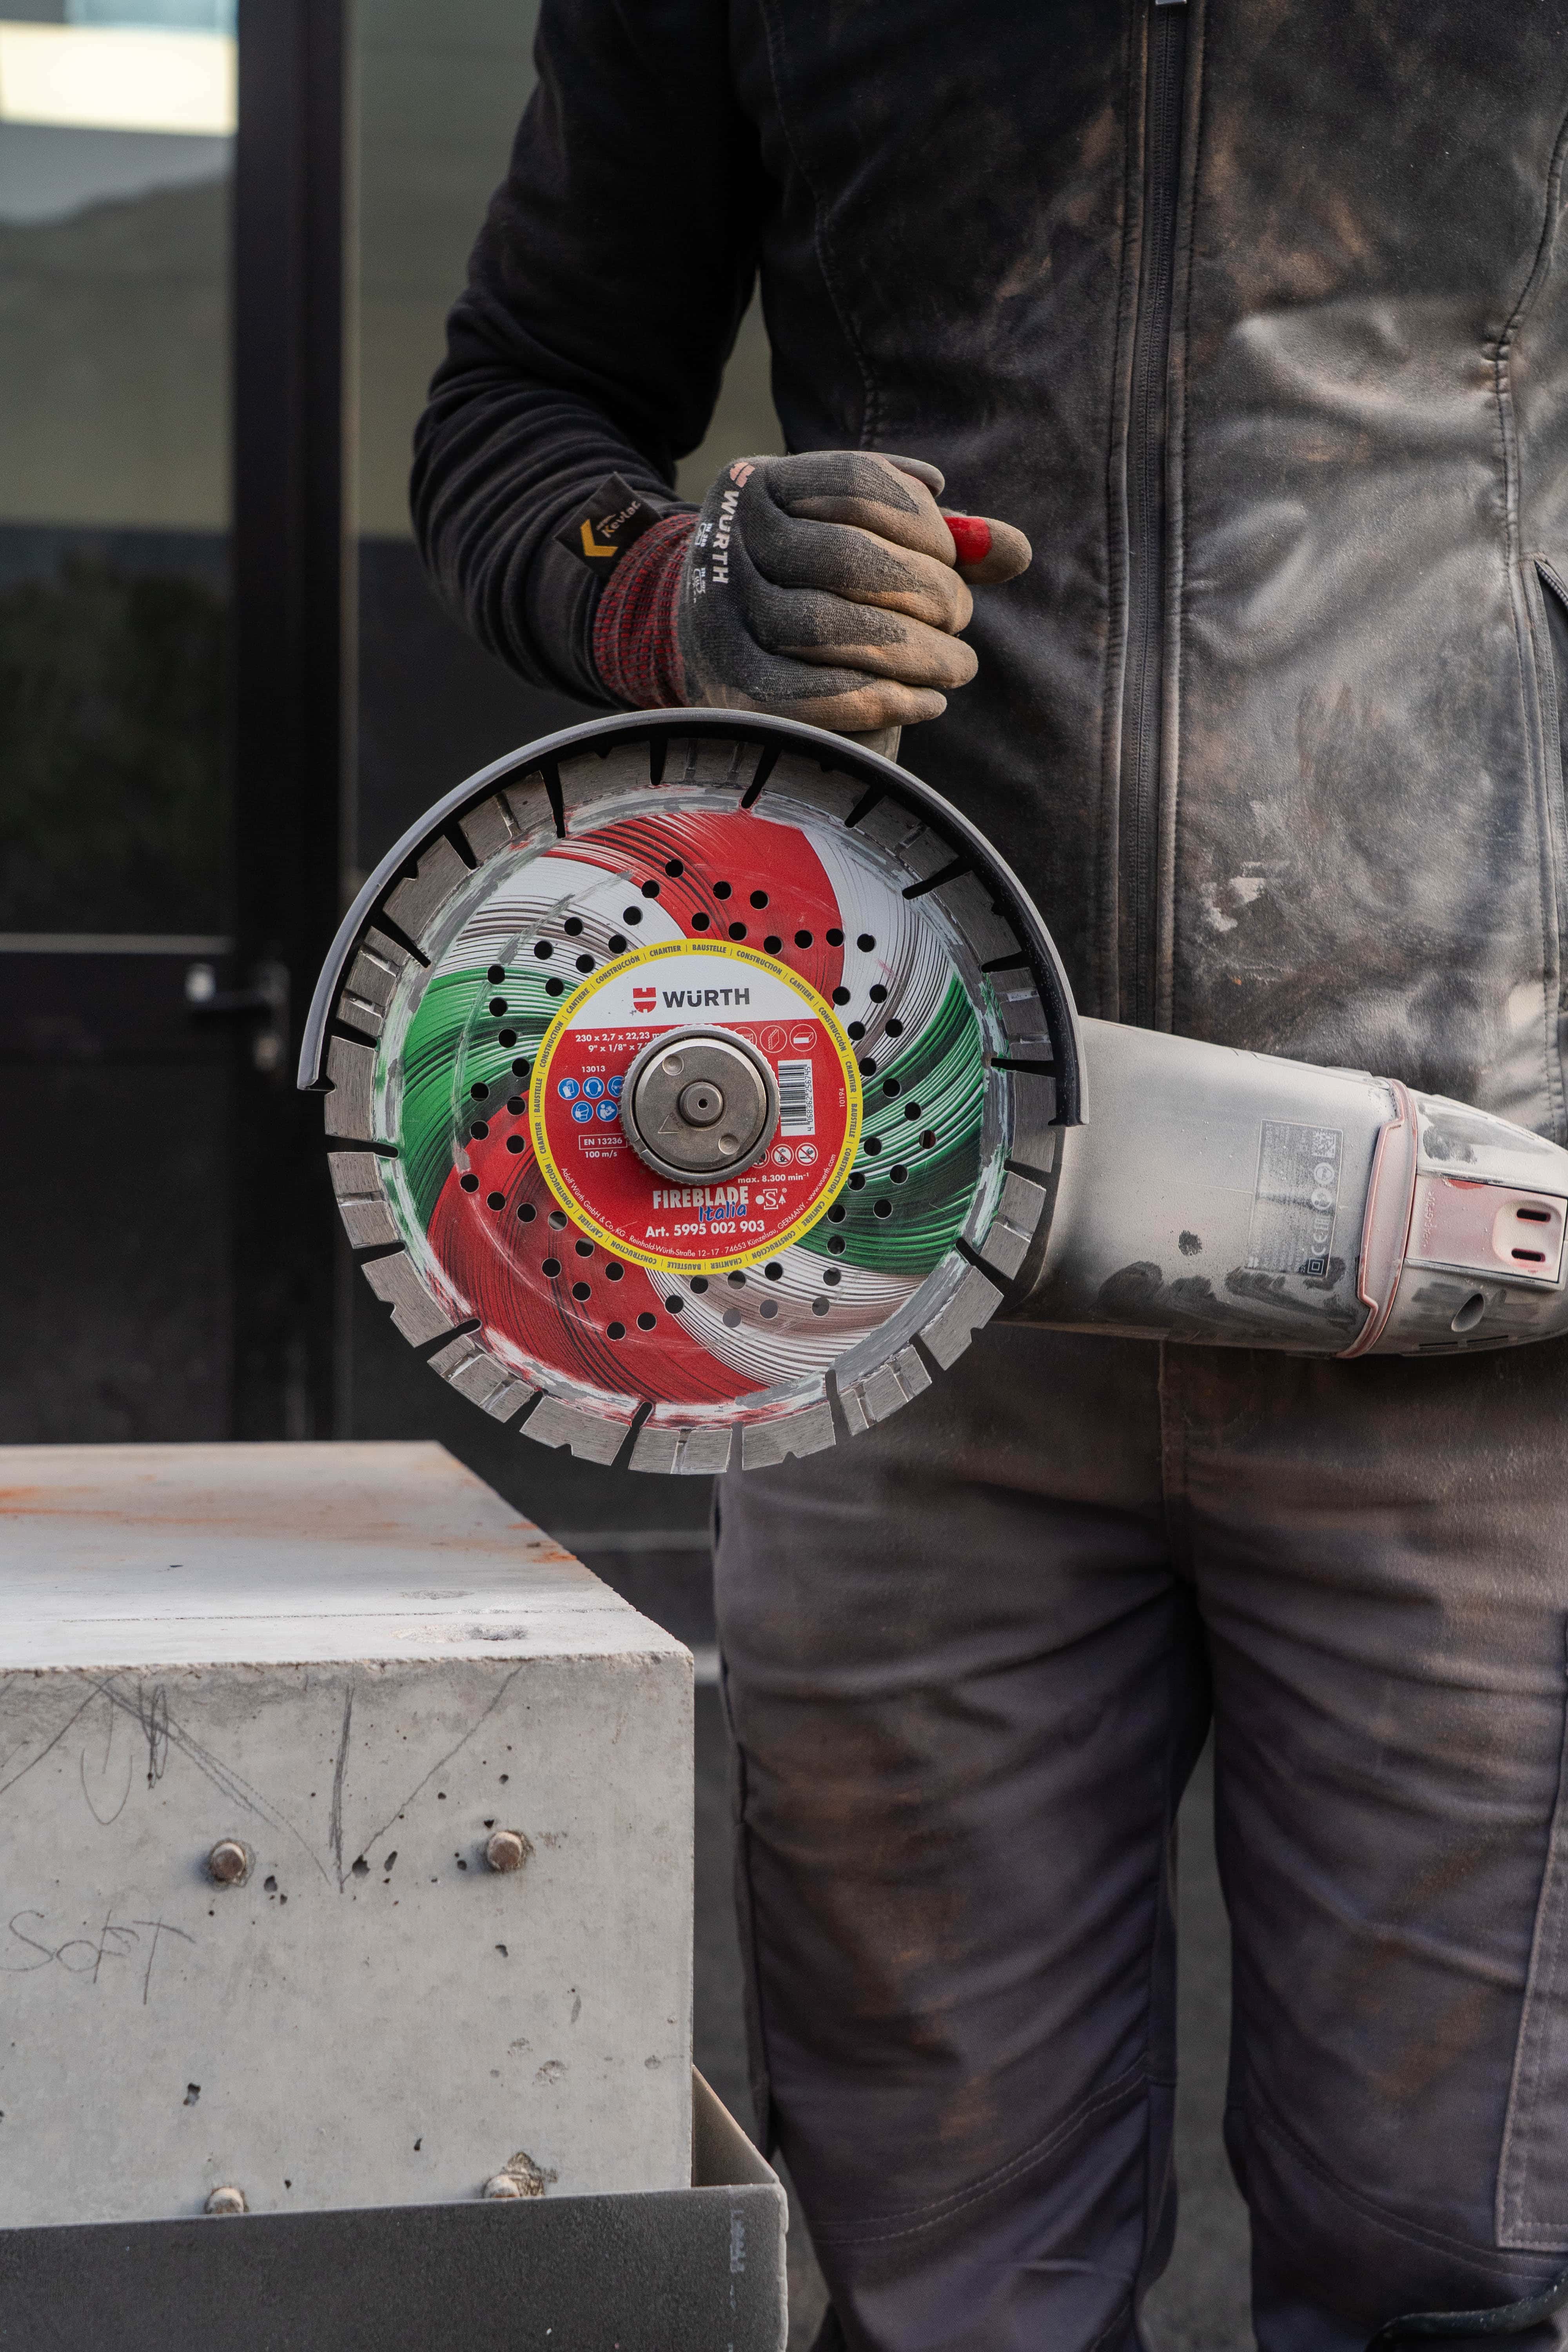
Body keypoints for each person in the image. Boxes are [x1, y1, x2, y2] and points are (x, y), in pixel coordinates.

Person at [413, 7, 1568, 2346]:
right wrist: (675, 586)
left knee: (1459, 2263)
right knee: (943, 2283)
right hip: (898, 1269)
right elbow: (519, 409)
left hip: (1475, 1266)